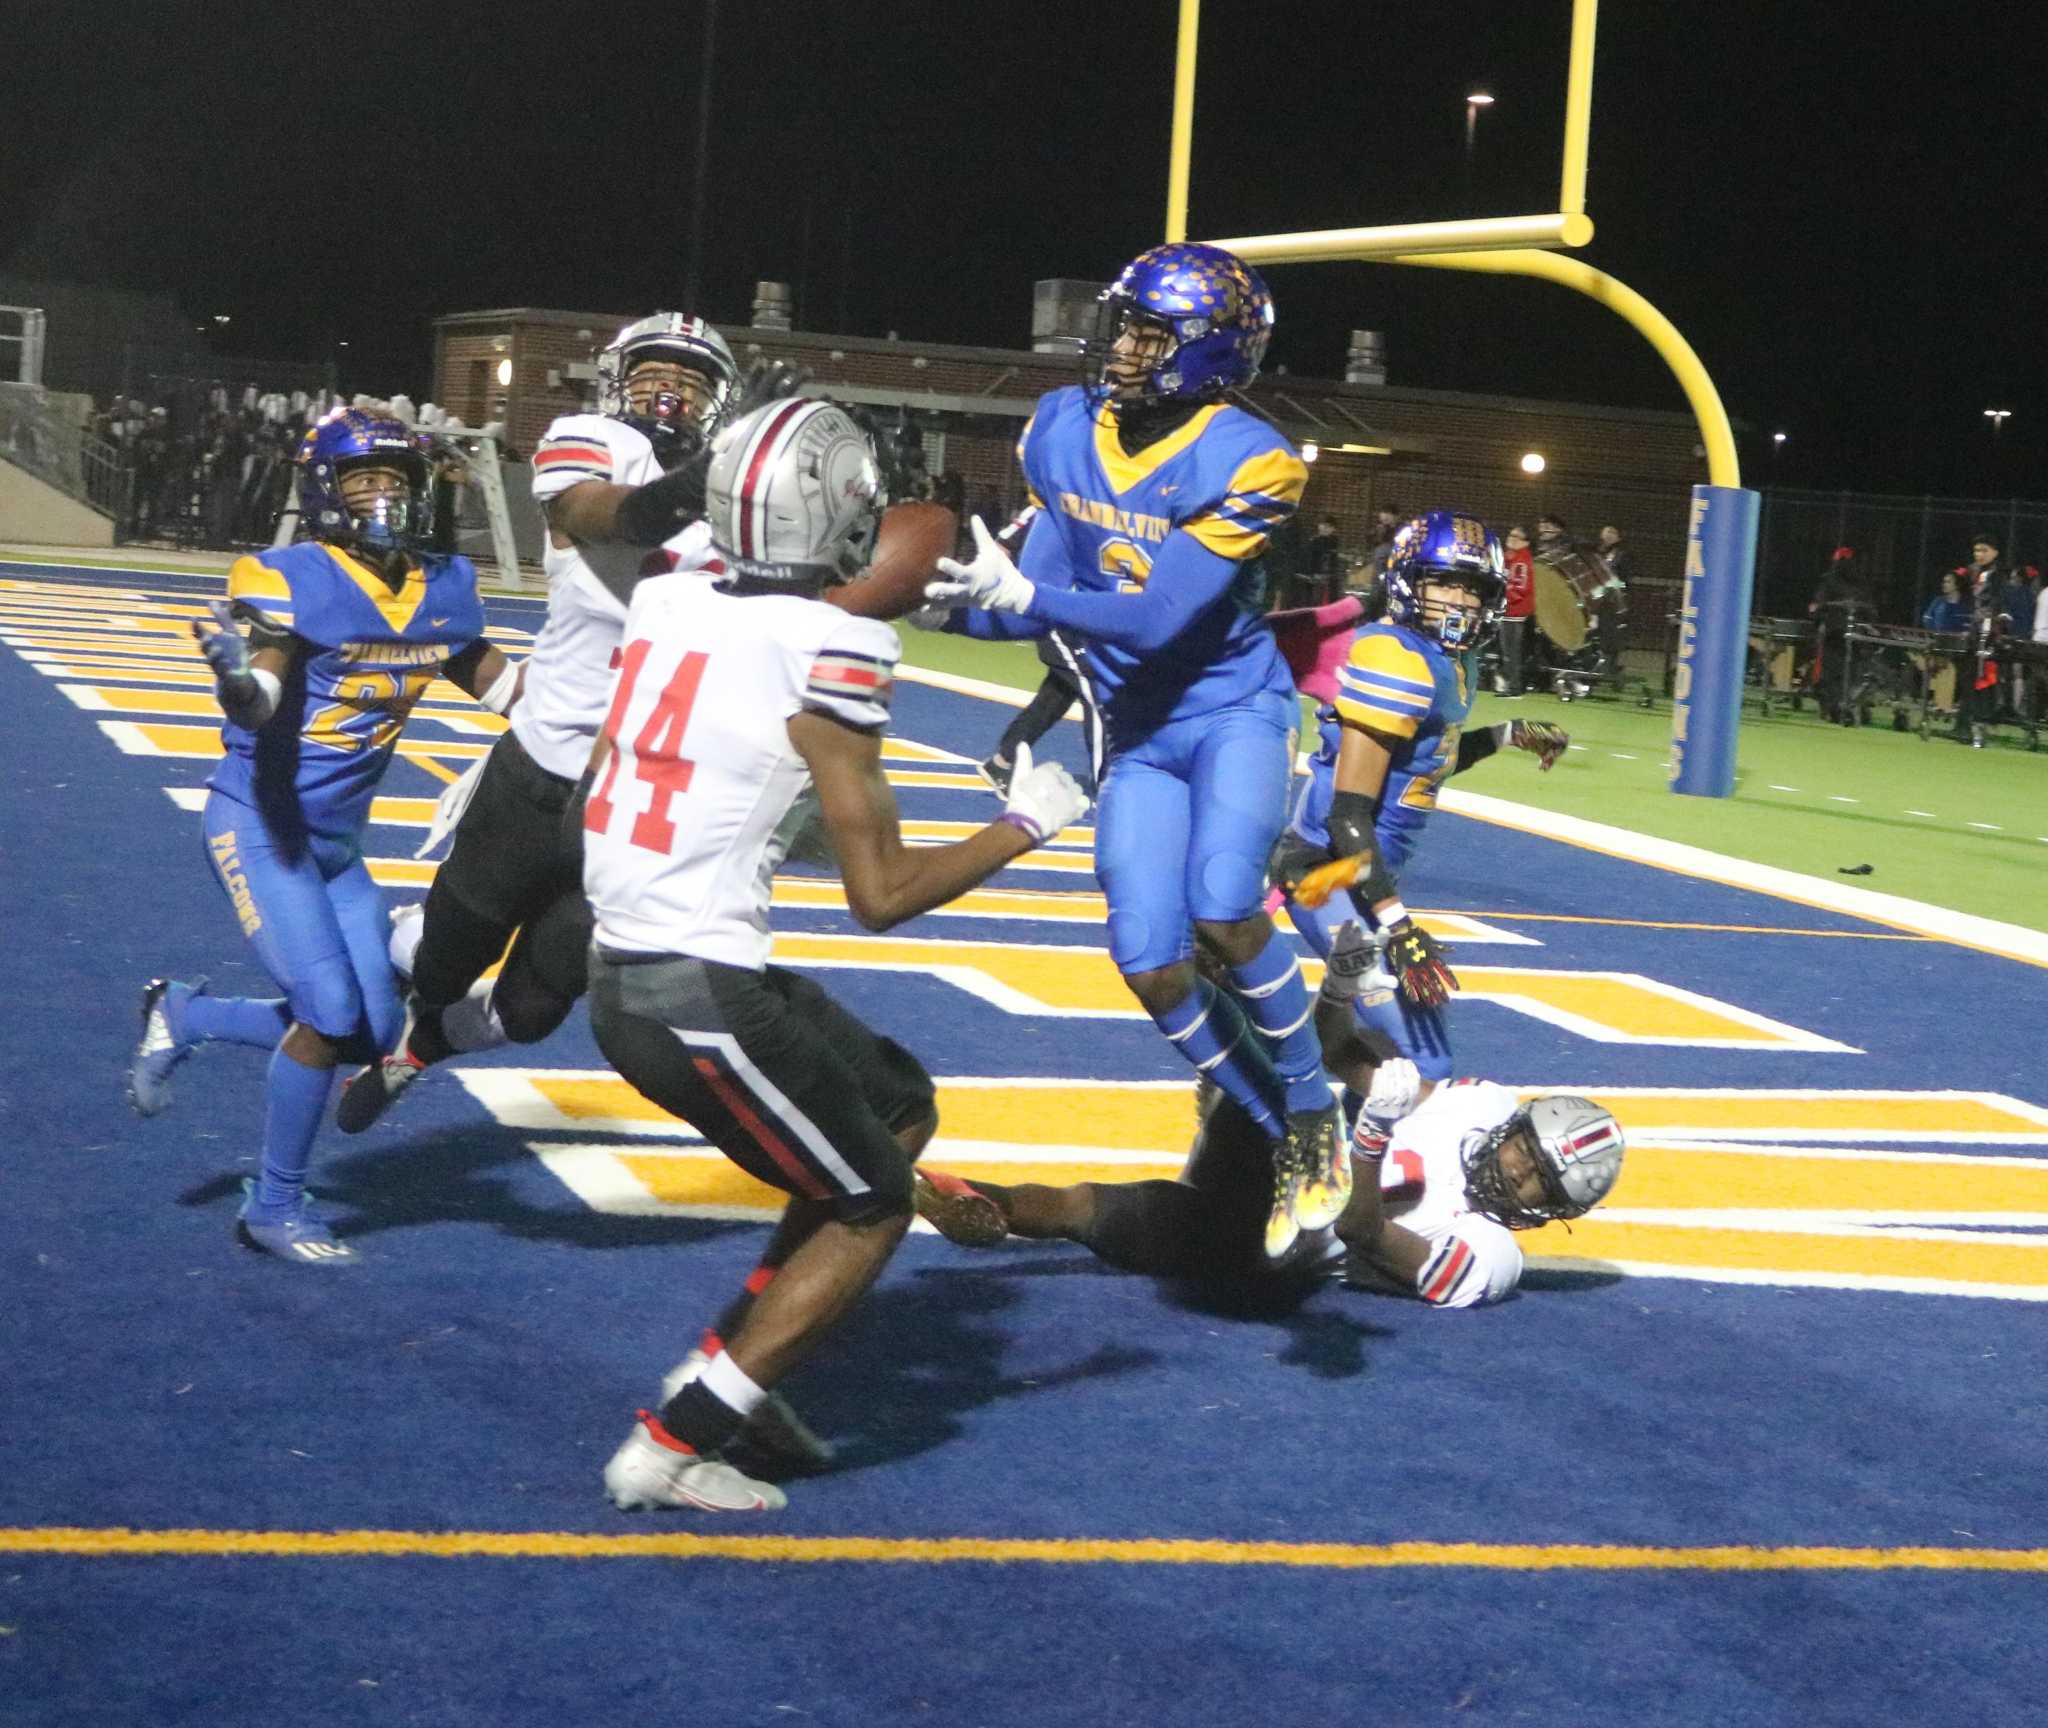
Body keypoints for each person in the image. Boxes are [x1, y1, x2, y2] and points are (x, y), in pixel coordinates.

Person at [590, 399, 1089, 1513]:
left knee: (896, 1104)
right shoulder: (835, 646)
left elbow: (782, 626)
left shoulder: (666, 595)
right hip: (690, 988)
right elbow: (883, 896)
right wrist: (1028, 825)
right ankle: (677, 1437)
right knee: (871, 1202)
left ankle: (748, 1364)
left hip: (640, 958)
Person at [919, 241, 1345, 1265]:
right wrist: (941, 600)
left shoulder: (1251, 457)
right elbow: (1038, 605)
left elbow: (1155, 616)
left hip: (1230, 712)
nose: (1118, 349)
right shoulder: (1063, 428)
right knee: (1147, 957)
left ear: (1207, 353)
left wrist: (1025, 599)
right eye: (1121, 327)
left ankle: (1311, 1106)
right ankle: (1276, 1126)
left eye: (1148, 335)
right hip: (1141, 735)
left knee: (1223, 900)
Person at [332, 315, 804, 1132]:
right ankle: (396, 964)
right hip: (543, 774)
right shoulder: (589, 440)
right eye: (656, 372)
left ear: (721, 403)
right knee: (441, 966)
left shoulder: (750, 498)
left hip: (646, 804)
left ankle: (423, 1051)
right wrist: (715, 475)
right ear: (617, 378)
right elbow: (610, 515)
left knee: (534, 1008)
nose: (670, 390)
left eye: (691, 382)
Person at [126, 408, 518, 1264]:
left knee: (373, 1030)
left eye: (397, 480)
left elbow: (511, 694)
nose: (384, 496)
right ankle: (273, 1204)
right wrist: (233, 679)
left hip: (337, 846)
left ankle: (188, 1014)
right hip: (261, 823)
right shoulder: (290, 576)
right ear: (325, 494)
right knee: (332, 1010)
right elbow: (260, 699)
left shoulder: (443, 586)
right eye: (363, 480)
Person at [1270, 512, 1565, 1180]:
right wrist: (1398, 924)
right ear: (1406, 582)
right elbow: (1350, 815)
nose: (1460, 602)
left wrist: (1508, 733)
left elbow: (1424, 766)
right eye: (1444, 584)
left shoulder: (1450, 664)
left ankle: (1328, 1148)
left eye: (1472, 589)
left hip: (1360, 878)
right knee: (1410, 1063)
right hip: (1323, 875)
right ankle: (1293, 1129)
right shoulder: (1392, 655)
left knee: (1422, 1057)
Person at [914, 1059, 1624, 1312]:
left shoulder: (1493, 1257)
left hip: (1273, 1261)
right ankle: (969, 1199)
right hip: (1292, 1174)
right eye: (1527, 1151)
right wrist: (1347, 988)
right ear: (1519, 1124)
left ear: (1557, 1209)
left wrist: (1371, 1138)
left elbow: (1361, 1230)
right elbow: (1355, 1063)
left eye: (1540, 1180)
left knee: (1254, 1127)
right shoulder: (1480, 1101)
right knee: (1078, 1207)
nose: (1517, 1171)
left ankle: (1230, 1117)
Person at [976, 508, 1102, 796]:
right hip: (1055, 613)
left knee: (1057, 695)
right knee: (1097, 689)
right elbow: (1001, 546)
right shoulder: (1053, 502)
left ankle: (1002, 762)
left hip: (1081, 615)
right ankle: (1108, 783)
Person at [1497, 524, 1535, 694]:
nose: (1511, 539)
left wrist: (1500, 596)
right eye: (1510, 535)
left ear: (1525, 542)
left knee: (1513, 652)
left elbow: (1520, 589)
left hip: (1516, 613)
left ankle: (1515, 687)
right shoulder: (1509, 558)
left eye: (1516, 536)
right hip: (1508, 611)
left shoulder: (1523, 561)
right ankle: (1509, 684)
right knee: (1507, 652)